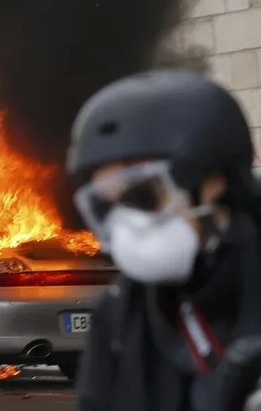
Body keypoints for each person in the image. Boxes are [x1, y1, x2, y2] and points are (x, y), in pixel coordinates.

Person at [66, 70, 261, 411]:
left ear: (213, 184)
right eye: (105, 206)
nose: (127, 222)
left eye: (142, 197)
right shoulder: (117, 318)